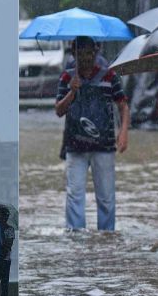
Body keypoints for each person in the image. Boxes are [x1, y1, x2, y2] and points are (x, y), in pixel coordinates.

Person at [55, 35, 130, 231]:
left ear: (96, 53)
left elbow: (123, 105)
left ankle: (106, 236)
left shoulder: (109, 76)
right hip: (75, 145)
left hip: (104, 146)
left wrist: (123, 132)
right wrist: (71, 92)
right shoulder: (66, 77)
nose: (86, 58)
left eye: (89, 53)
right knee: (74, 195)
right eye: (81, 54)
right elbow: (59, 111)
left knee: (106, 197)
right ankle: (76, 235)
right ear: (74, 55)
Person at [0, 207, 15, 296]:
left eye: (0, 215)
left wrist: (1, 235)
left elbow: (9, 244)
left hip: (4, 258)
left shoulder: (9, 229)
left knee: (4, 281)